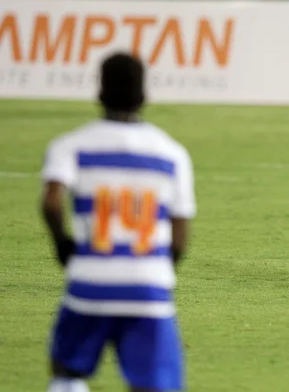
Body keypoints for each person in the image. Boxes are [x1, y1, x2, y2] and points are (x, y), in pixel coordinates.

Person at [40, 52, 196, 392]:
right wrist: (159, 271)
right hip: (148, 286)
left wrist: (64, 246)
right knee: (154, 383)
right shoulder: (171, 153)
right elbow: (180, 237)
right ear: (144, 96)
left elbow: (52, 201)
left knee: (66, 370)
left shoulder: (71, 145)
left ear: (99, 92)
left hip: (90, 281)